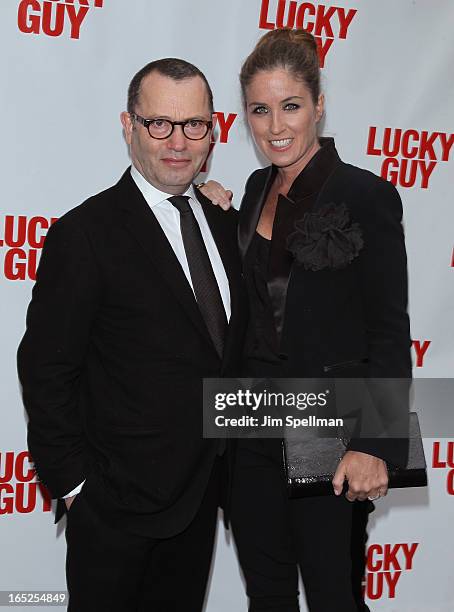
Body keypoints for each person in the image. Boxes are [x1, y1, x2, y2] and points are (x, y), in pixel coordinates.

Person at [17, 58, 246, 612]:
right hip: (115, 508)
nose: (178, 141)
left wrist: (367, 429)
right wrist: (76, 489)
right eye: (159, 124)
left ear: (212, 132)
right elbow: (46, 370)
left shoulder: (223, 222)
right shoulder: (85, 234)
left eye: (194, 124)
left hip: (202, 499)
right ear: (129, 126)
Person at [200, 28, 411, 611]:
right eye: (260, 111)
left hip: (327, 423)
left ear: (319, 103)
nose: (275, 127)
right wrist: (213, 213)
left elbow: (391, 331)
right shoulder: (251, 189)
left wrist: (375, 442)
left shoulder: (364, 194)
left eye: (290, 106)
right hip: (248, 427)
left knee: (332, 594)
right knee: (267, 594)